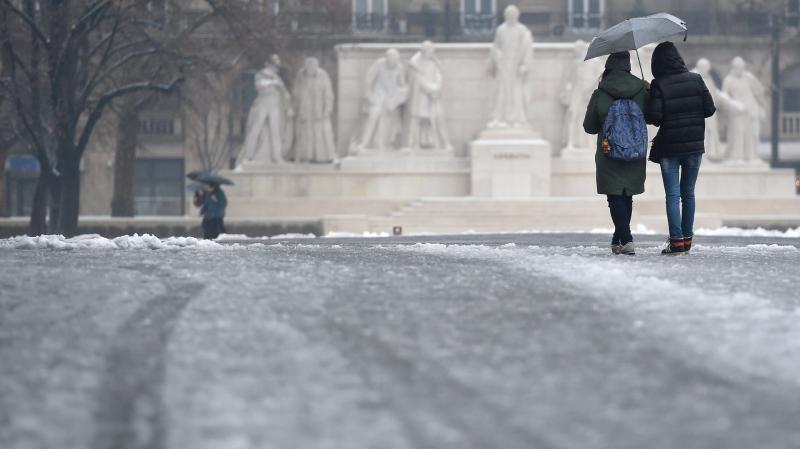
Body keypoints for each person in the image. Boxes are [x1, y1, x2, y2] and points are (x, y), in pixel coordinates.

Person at [646, 42, 716, 255]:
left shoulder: (659, 84)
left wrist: (651, 95)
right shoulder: (696, 80)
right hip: (694, 146)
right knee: (689, 194)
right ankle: (687, 240)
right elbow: (710, 109)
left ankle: (676, 241)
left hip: (669, 147)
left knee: (673, 196)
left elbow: (655, 119)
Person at [583, 52, 650, 256]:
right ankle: (618, 238)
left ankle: (627, 238)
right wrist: (648, 90)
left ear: (609, 68)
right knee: (626, 195)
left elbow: (589, 127)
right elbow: (653, 115)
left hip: (608, 151)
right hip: (635, 151)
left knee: (615, 195)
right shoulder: (640, 89)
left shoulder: (601, 92)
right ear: (628, 67)